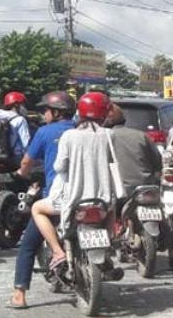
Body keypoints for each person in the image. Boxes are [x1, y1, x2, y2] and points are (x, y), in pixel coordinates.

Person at [29, 91, 119, 271]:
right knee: (112, 207)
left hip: (72, 198)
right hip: (102, 198)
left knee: (36, 208)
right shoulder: (110, 135)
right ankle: (109, 243)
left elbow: (59, 167)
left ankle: (57, 251)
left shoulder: (69, 135)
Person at [9, 91, 76, 309]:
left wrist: (23, 174)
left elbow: (27, 162)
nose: (44, 114)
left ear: (56, 112)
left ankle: (19, 294)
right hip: (84, 197)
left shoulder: (45, 132)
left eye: (46, 110)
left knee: (27, 245)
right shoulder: (80, 130)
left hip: (55, 198)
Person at [104, 103, 162, 196]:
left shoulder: (102, 139)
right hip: (143, 188)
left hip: (113, 190)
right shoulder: (141, 136)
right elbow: (157, 163)